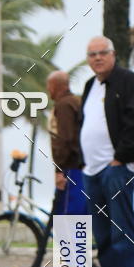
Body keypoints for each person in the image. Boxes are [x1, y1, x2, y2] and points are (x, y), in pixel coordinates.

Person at [80, 37, 134, 267]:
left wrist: (120, 158)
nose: (97, 58)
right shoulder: (90, 86)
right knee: (103, 235)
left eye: (102, 53)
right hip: (92, 171)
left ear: (113, 54)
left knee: (122, 232)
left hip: (117, 169)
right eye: (92, 54)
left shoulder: (129, 81)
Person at [46, 71, 86, 216]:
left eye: (49, 86)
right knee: (77, 211)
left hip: (70, 167)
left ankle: (70, 240)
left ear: (55, 86)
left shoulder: (63, 105)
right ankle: (77, 239)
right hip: (80, 166)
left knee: (69, 213)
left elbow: (65, 139)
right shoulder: (76, 101)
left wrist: (59, 171)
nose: (48, 90)